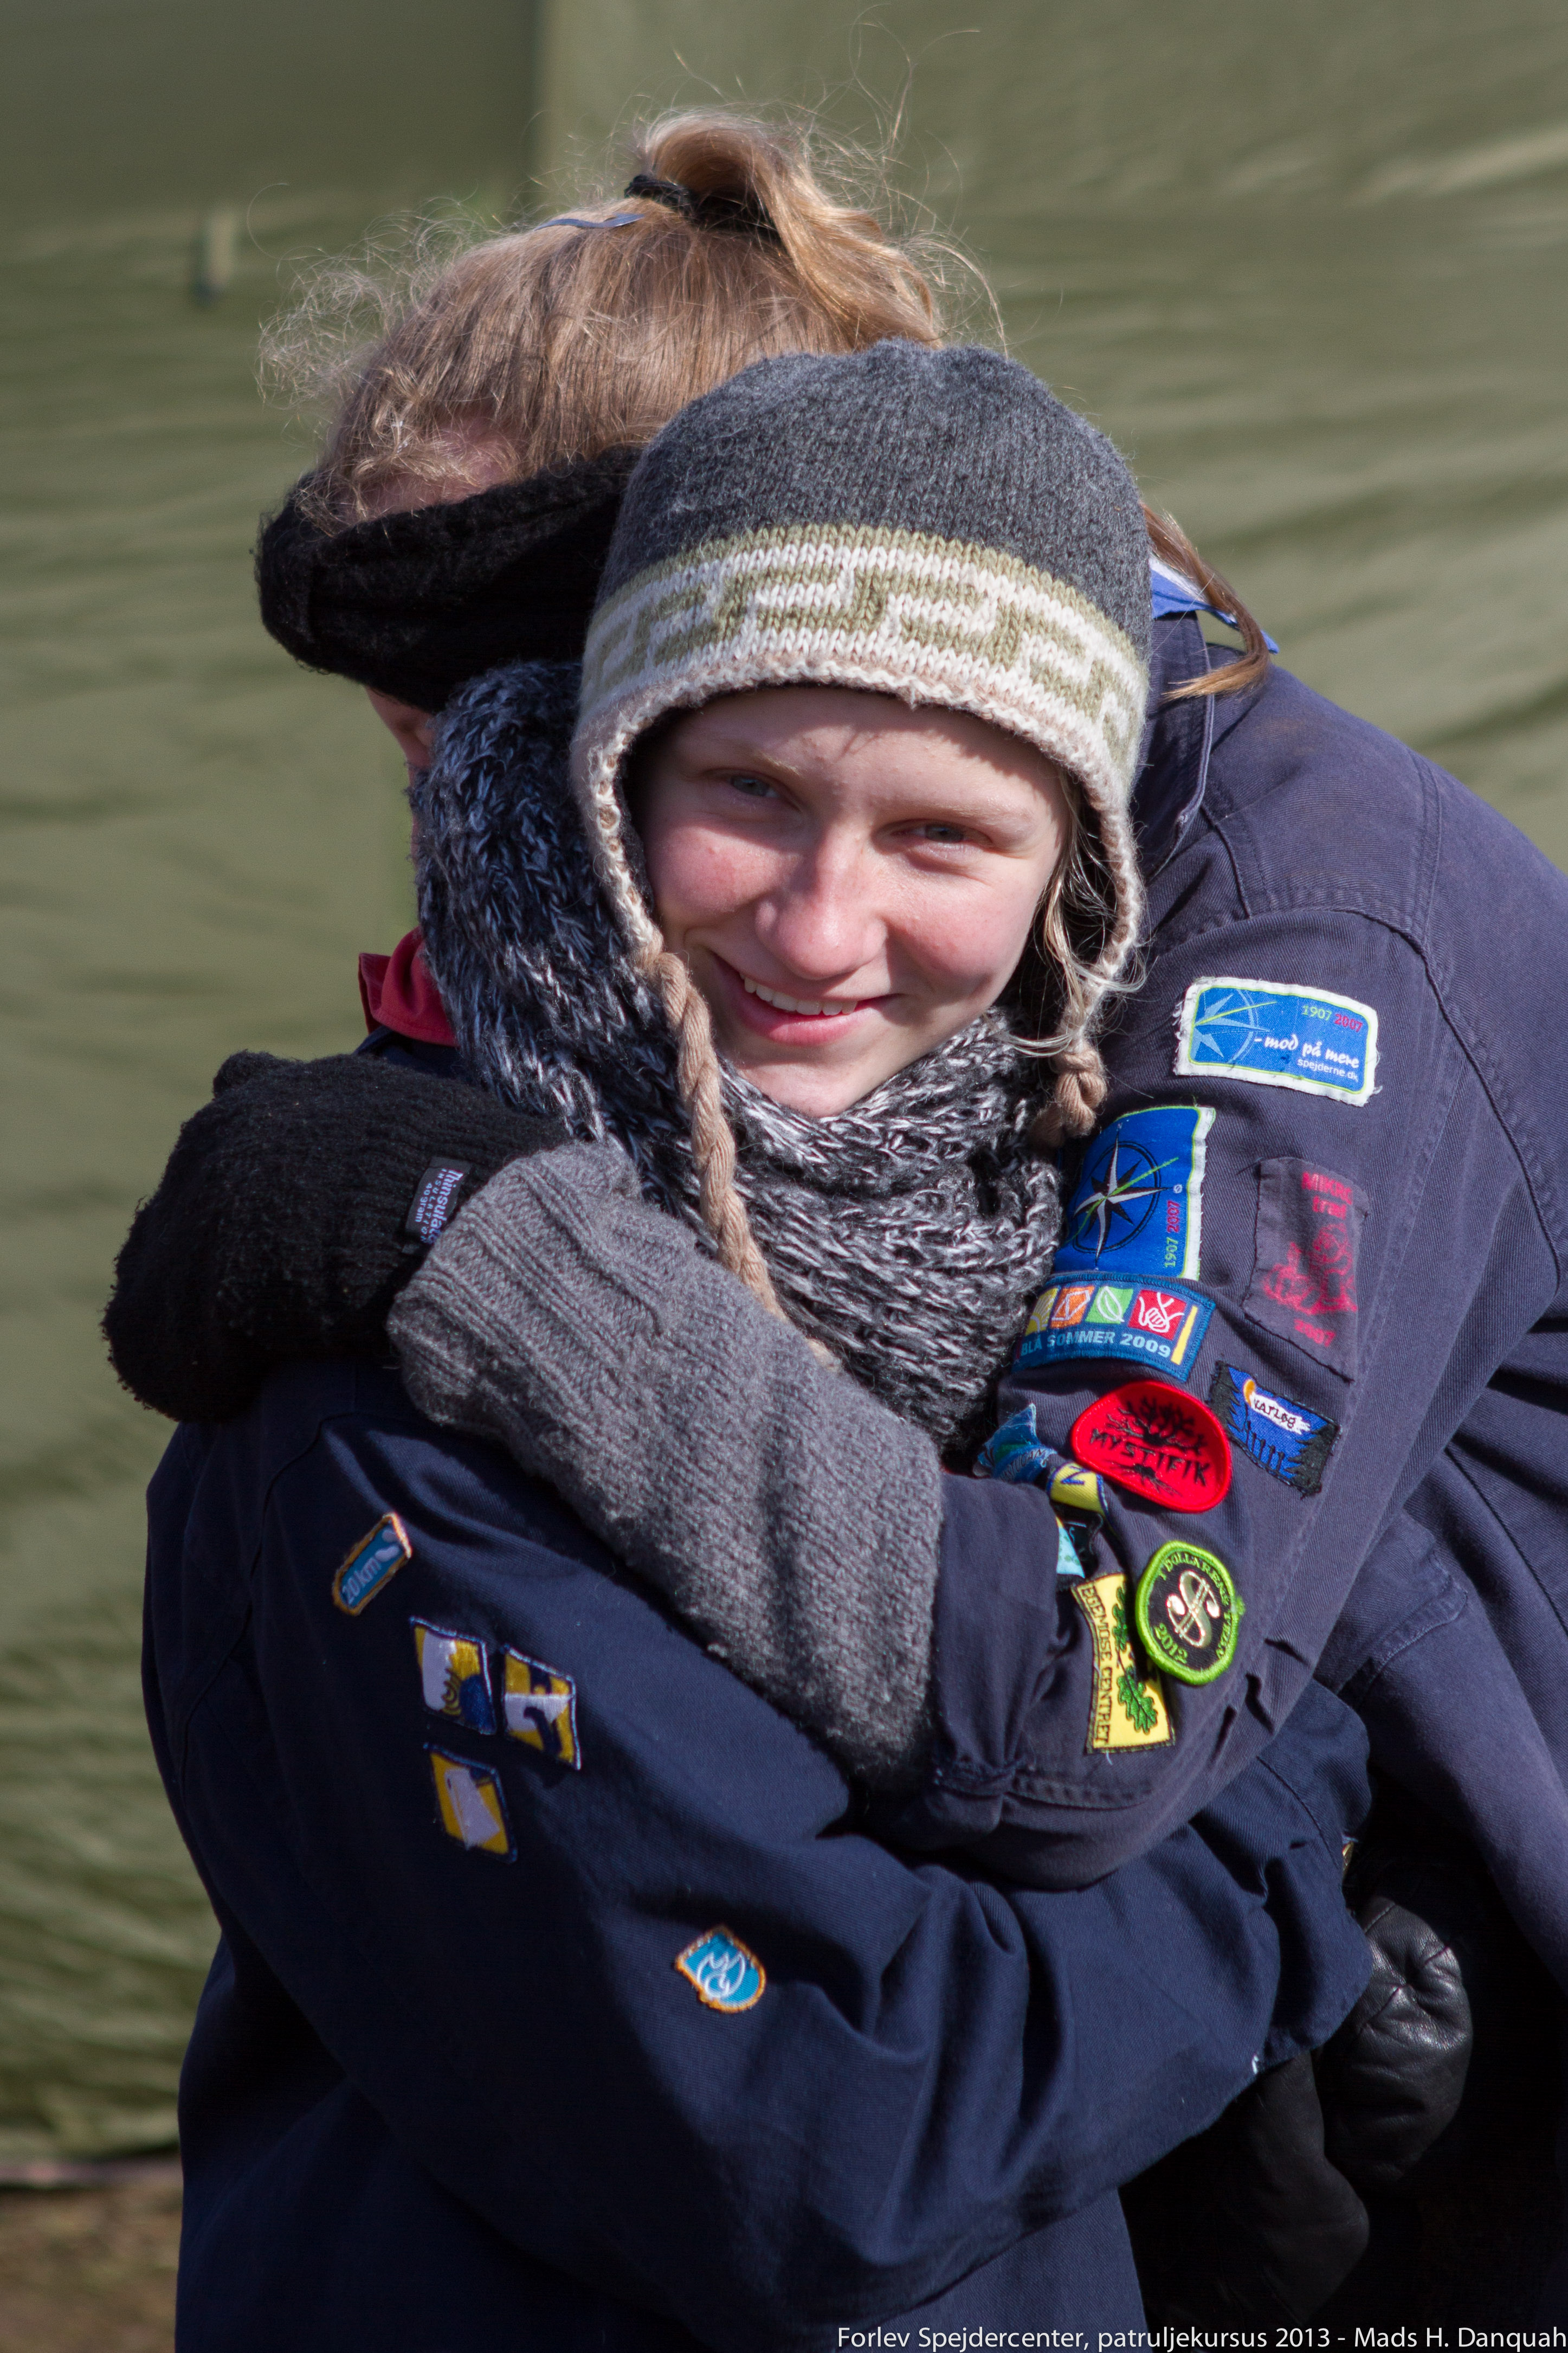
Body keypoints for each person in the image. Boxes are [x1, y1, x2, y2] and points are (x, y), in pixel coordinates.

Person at [106, 118, 1563, 2324]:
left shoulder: (1291, 940)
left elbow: (1085, 1684)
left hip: (1445, 2100)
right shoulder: (797, 1076)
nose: (819, 915)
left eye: (492, 683)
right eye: (410, 725)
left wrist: (474, 1241)